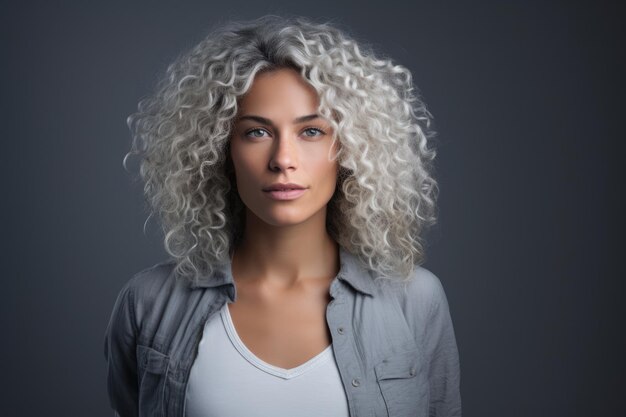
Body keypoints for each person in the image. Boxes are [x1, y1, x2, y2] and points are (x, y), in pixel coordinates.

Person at [104, 15, 461, 417]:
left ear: (349, 150)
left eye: (311, 132)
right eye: (256, 132)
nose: (282, 160)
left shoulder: (415, 300)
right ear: (222, 150)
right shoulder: (149, 302)